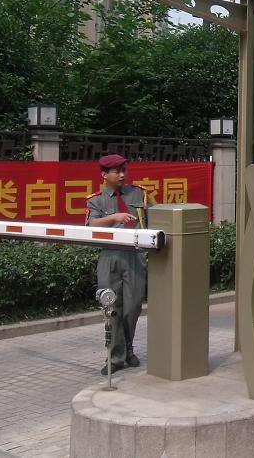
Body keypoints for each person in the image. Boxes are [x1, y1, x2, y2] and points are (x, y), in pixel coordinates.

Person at [86, 153, 152, 375]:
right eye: (117, 171)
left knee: (133, 306)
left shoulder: (139, 194)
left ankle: (128, 349)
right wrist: (114, 217)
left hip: (135, 255)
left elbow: (156, 217)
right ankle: (115, 357)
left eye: (124, 170)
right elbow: (91, 224)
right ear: (105, 175)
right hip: (110, 256)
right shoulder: (96, 200)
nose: (122, 175)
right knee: (112, 307)